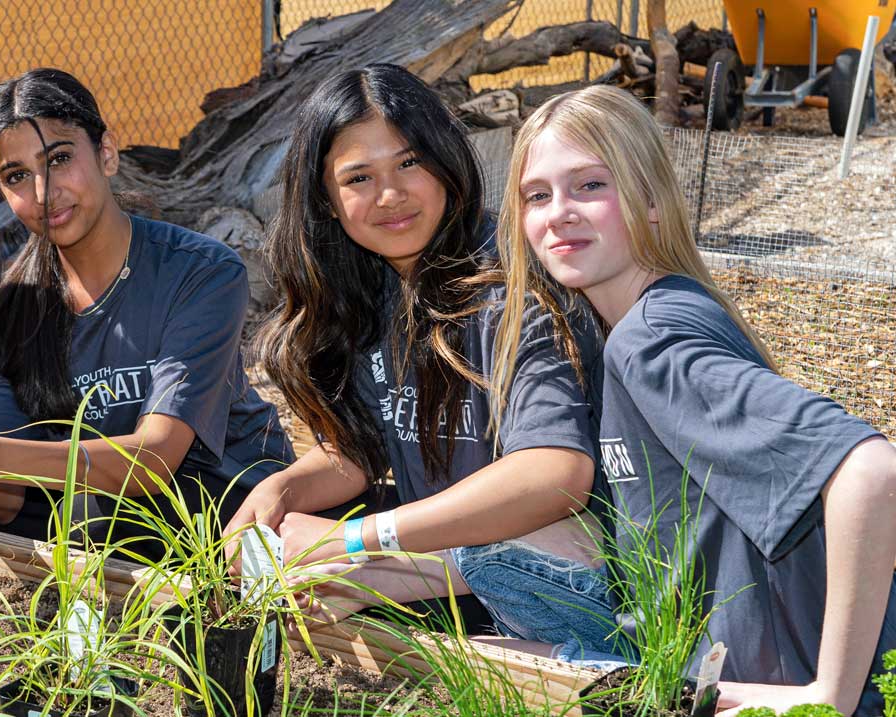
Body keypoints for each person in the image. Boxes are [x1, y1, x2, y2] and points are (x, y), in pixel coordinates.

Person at [503, 83, 896, 716]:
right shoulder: (656, 316)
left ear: (653, 201)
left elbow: (871, 470)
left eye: (590, 186)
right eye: (537, 196)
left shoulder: (650, 341)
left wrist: (830, 695)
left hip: (775, 693)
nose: (559, 213)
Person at [225, 64, 623, 664]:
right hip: (464, 586)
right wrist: (283, 488)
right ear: (326, 202)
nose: (391, 195)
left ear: (447, 160)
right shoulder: (373, 290)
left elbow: (554, 476)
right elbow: (365, 449)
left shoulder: (513, 285)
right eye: (359, 177)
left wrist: (353, 542)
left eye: (409, 162)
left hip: (588, 590)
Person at [0, 68, 294, 541]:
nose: (44, 194)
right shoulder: (7, 308)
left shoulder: (199, 271)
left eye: (60, 159)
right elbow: (5, 503)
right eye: (17, 176)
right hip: (89, 517)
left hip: (226, 505)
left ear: (106, 153)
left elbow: (154, 458)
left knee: (88, 514)